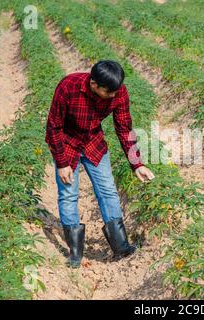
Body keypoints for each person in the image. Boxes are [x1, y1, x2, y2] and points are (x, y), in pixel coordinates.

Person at [45, 60, 155, 268]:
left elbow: (124, 128)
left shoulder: (118, 90)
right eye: (109, 92)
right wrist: (62, 163)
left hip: (94, 143)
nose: (114, 95)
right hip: (66, 144)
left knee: (108, 191)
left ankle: (121, 247)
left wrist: (137, 164)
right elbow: (54, 127)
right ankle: (75, 253)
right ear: (94, 84)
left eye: (116, 91)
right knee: (68, 194)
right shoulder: (68, 87)